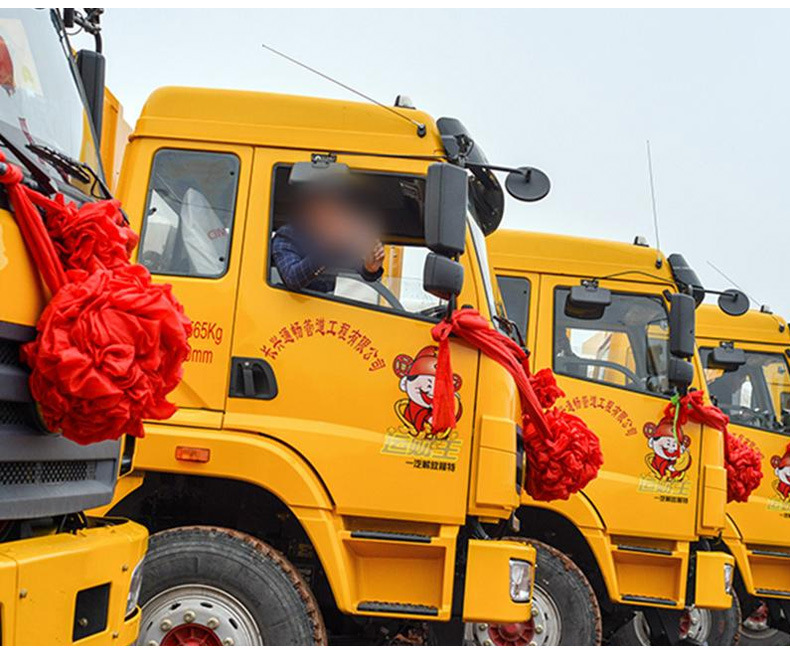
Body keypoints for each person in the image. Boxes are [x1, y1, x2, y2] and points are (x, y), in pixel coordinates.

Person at [272, 175, 385, 293]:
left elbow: (357, 266)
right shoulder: (286, 237)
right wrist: (328, 247)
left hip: (327, 305)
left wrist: (370, 268)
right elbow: (292, 279)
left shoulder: (338, 235)